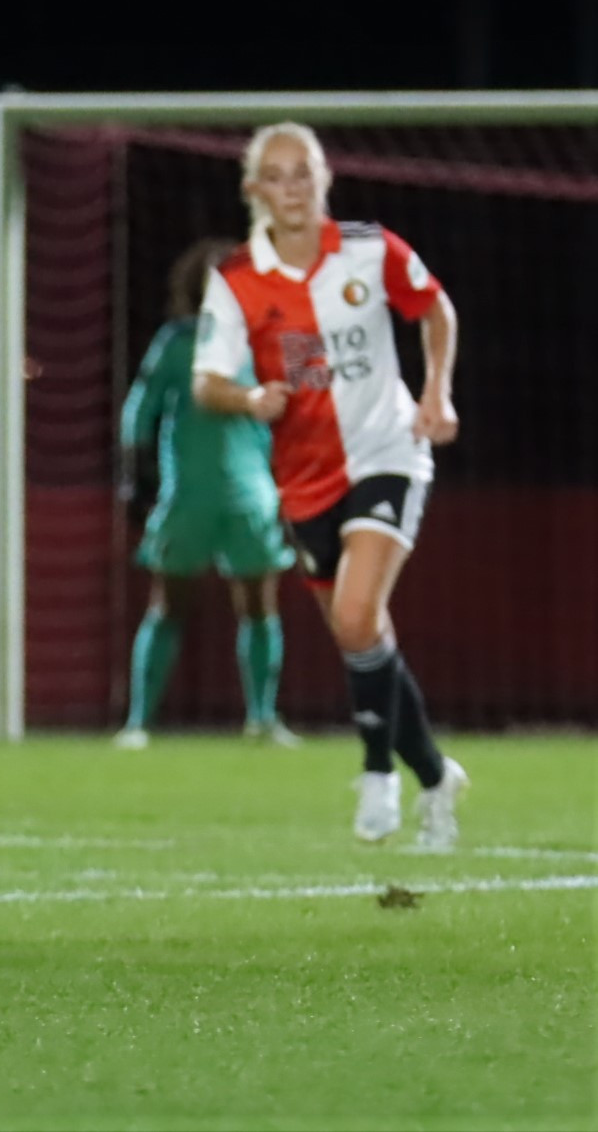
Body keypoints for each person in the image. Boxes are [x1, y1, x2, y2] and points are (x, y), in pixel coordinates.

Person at [192, 121, 467, 849]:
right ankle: (437, 777)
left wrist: (436, 394)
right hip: (306, 482)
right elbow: (208, 382)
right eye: (277, 177)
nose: (292, 189)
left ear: (324, 181)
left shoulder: (372, 249)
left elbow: (435, 309)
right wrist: (252, 400)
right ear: (255, 190)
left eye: (304, 174)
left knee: (353, 617)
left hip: (389, 452)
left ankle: (378, 770)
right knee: (363, 633)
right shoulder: (239, 283)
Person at [113, 237, 300, 750]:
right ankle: (138, 724)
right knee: (167, 604)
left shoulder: (272, 339)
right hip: (188, 493)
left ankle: (262, 719)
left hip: (253, 492)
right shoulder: (178, 340)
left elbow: (303, 410)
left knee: (260, 605)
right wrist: (136, 478)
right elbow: (139, 410)